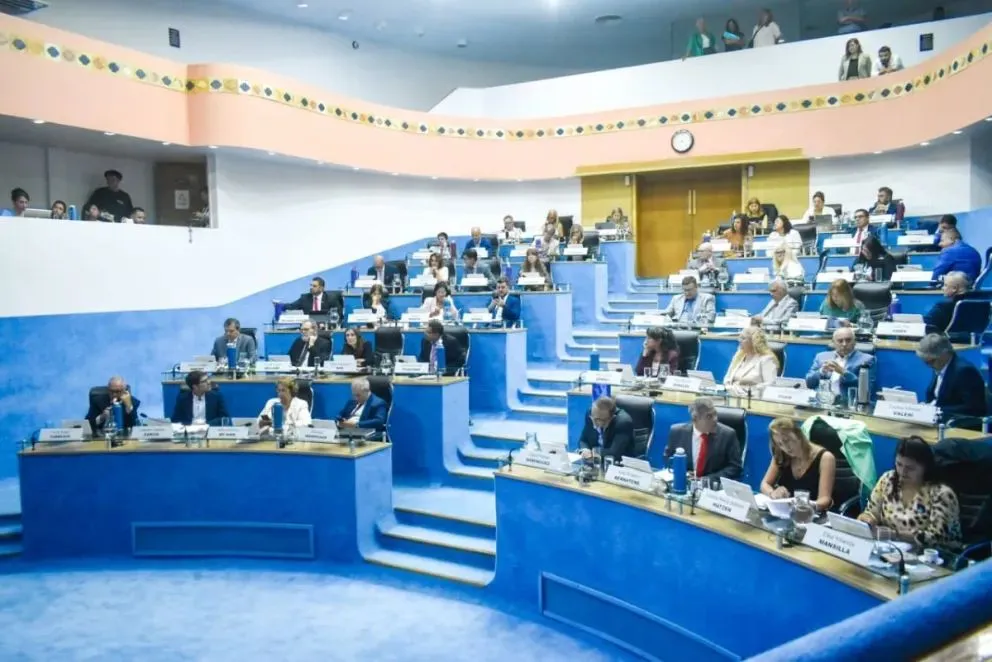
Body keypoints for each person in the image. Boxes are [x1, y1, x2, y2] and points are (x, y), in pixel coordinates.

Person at [858, 437, 962, 547]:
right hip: (891, 547)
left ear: (925, 467)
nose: (903, 472)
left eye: (910, 468)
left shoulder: (941, 493)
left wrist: (895, 535)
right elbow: (872, 512)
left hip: (935, 555)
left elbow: (937, 537)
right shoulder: (888, 480)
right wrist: (867, 520)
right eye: (899, 464)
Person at [760, 418, 837, 511]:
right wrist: (772, 493)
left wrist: (806, 505)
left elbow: (825, 500)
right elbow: (765, 484)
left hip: (811, 514)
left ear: (799, 435)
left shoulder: (825, 458)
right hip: (786, 512)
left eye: (787, 440)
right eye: (780, 444)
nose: (785, 447)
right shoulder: (781, 455)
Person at [665, 397, 743, 480]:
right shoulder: (677, 432)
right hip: (685, 483)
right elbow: (668, 458)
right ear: (695, 418)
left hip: (713, 488)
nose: (715, 419)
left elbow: (735, 468)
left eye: (715, 414)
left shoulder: (728, 435)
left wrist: (707, 479)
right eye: (709, 416)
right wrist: (683, 472)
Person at [917, 334, 987, 419]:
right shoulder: (939, 365)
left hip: (959, 424)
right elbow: (935, 397)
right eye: (925, 362)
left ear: (945, 354)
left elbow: (974, 408)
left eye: (931, 361)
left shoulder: (965, 371)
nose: (928, 365)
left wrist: (937, 410)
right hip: (938, 419)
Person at [805, 326, 874, 395]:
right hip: (822, 401)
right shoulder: (821, 356)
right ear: (834, 343)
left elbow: (866, 389)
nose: (844, 344)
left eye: (848, 340)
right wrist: (821, 371)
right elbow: (809, 383)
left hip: (847, 402)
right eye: (840, 341)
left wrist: (843, 372)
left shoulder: (867, 360)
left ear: (855, 342)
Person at [578, 396, 635, 463]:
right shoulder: (591, 413)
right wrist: (585, 449)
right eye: (593, 418)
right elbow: (583, 440)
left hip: (619, 465)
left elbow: (614, 453)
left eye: (599, 420)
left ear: (612, 417)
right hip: (595, 463)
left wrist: (592, 453)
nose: (594, 424)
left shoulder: (624, 422)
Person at [723, 326, 779, 394]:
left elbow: (770, 384)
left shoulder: (766, 359)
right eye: (739, 337)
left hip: (752, 398)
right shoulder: (738, 355)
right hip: (731, 394)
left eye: (743, 338)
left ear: (753, 341)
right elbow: (727, 378)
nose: (739, 340)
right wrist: (728, 387)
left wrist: (749, 390)